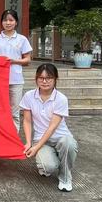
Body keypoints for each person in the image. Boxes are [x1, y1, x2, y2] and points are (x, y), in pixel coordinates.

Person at [20, 63, 78, 192]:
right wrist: (29, 143)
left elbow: (52, 127)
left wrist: (36, 148)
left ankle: (65, 176)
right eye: (41, 78)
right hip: (41, 139)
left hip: (61, 138)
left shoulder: (61, 99)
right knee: (47, 167)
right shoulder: (29, 96)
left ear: (55, 79)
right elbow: (27, 121)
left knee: (68, 144)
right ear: (36, 79)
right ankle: (58, 158)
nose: (44, 81)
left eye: (49, 78)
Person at [0, 9, 32, 133]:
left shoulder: (22, 39)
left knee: (15, 111)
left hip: (16, 80)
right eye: (5, 20)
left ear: (16, 22)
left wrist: (14, 61)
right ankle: (1, 135)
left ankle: (13, 137)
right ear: (1, 22)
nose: (8, 23)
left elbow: (27, 60)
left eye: (11, 20)